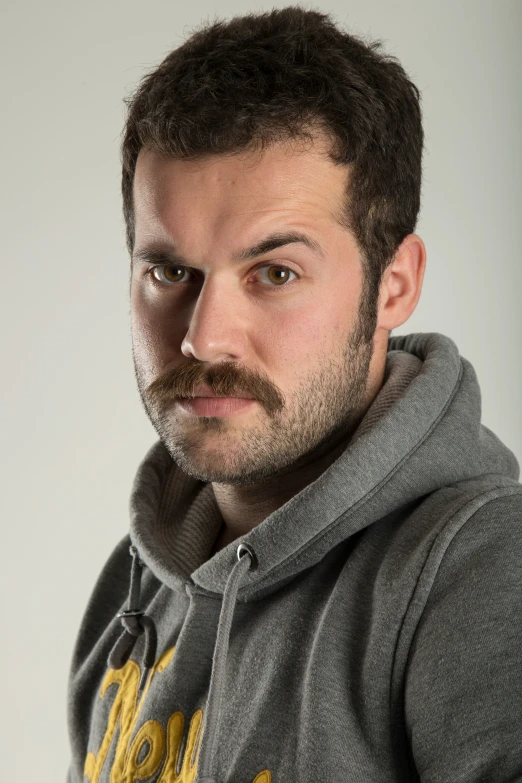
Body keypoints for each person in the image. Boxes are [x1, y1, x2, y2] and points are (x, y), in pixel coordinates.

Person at [66, 7, 522, 782]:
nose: (204, 339)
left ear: (395, 284)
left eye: (274, 274)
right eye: (170, 272)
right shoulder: (132, 586)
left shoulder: (484, 569)